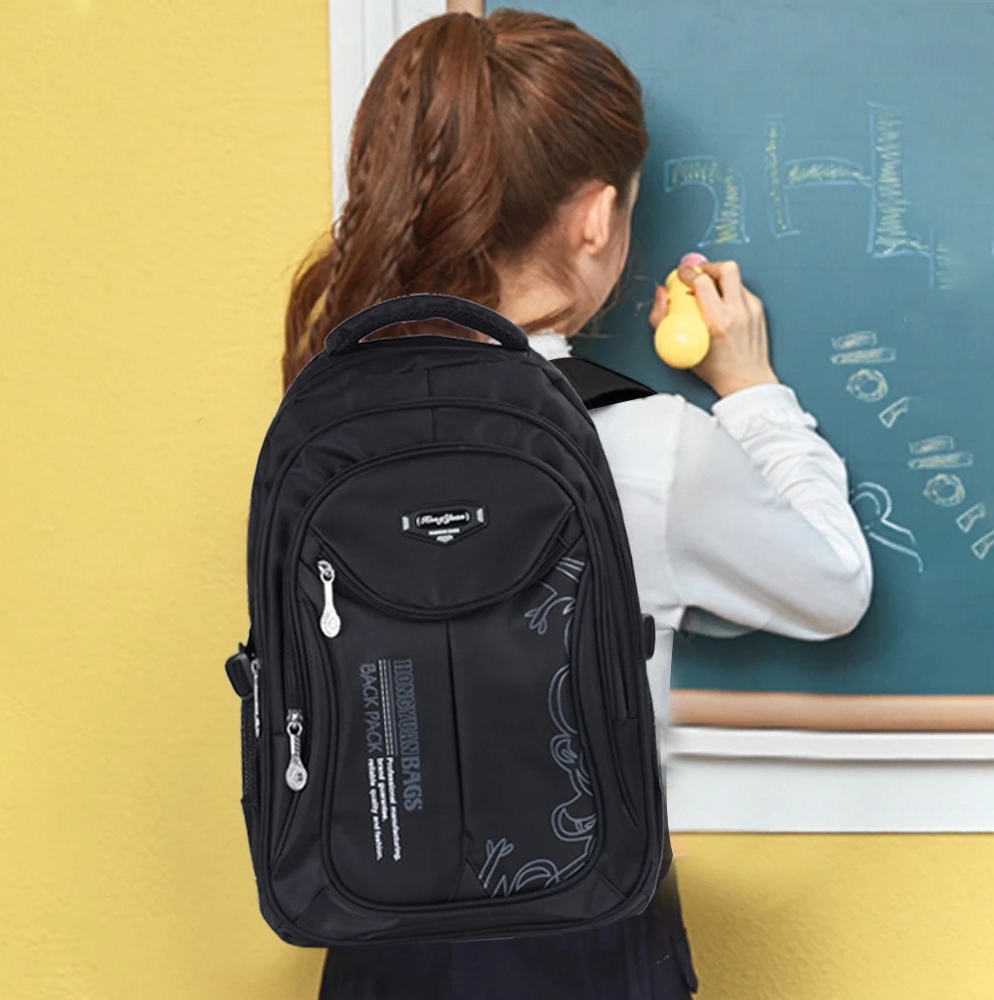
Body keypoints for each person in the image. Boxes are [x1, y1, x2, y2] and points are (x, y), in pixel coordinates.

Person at [281, 10, 873, 999]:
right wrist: (752, 391)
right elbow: (834, 586)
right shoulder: (647, 445)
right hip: (583, 943)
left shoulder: (326, 417)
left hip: (374, 940)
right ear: (595, 218)